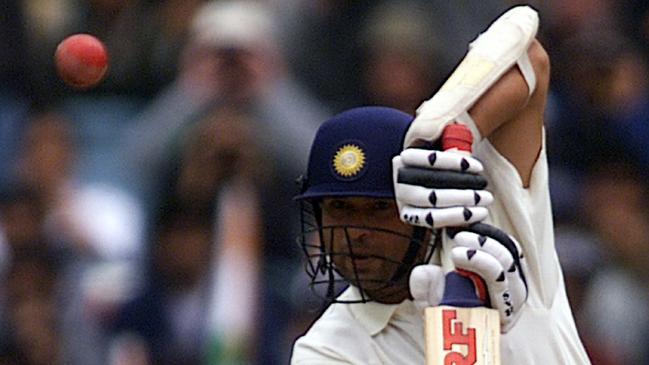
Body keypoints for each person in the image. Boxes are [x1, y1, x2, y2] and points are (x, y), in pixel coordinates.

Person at [291, 6, 590, 364]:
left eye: (379, 209)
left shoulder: (490, 219)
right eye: (339, 209)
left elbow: (529, 53)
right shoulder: (326, 350)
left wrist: (447, 129)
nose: (357, 232)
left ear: (419, 208)